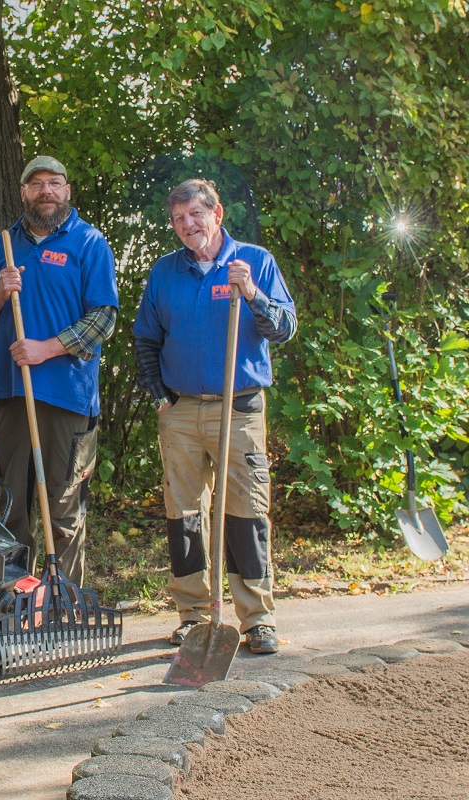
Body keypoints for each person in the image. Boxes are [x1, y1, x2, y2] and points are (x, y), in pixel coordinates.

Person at [132, 178, 297, 655]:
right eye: (179, 219)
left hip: (238, 408)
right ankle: (192, 614)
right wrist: (160, 394)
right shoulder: (165, 272)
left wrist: (251, 294)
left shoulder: (254, 262)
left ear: (217, 213)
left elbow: (282, 328)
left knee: (246, 512)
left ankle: (257, 619)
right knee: (182, 514)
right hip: (180, 411)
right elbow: (146, 339)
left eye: (196, 216)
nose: (188, 226)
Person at [0, 155, 119, 586]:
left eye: (55, 183)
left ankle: (63, 604)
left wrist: (46, 349)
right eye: (37, 184)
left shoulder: (89, 243)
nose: (46, 191)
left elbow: (103, 318)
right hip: (12, 395)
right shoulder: (4, 245)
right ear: (24, 193)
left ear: (67, 190)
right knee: (11, 505)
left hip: (66, 396)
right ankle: (17, 599)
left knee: (62, 507)